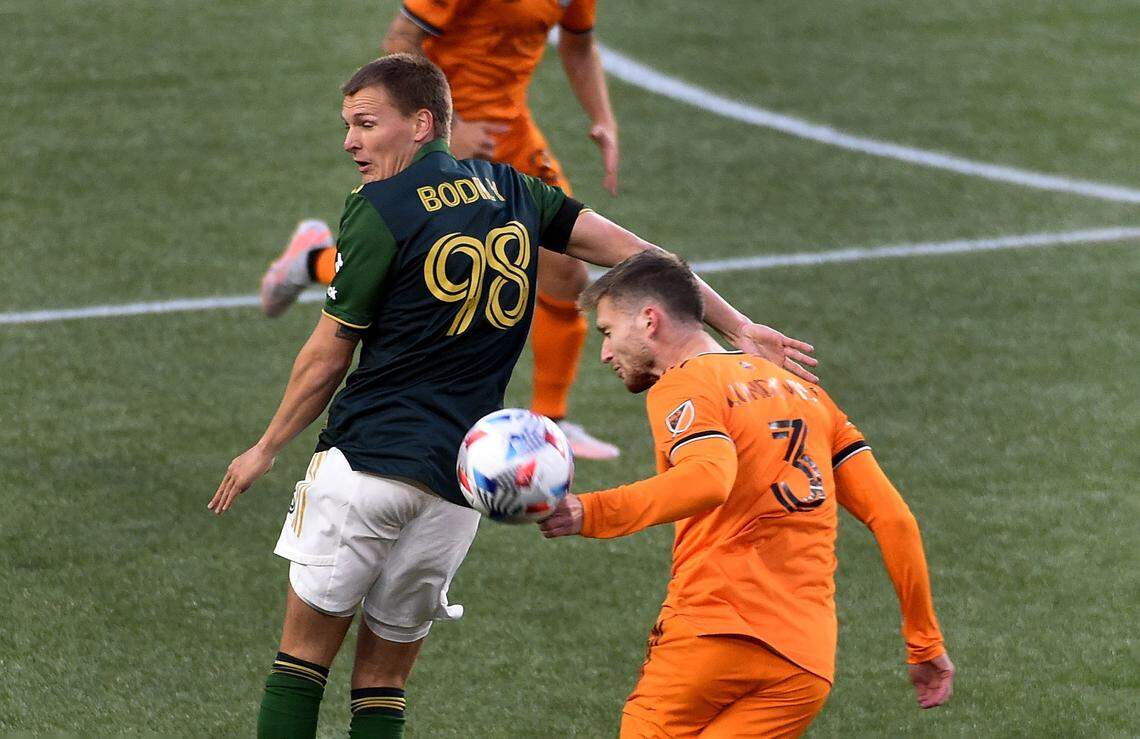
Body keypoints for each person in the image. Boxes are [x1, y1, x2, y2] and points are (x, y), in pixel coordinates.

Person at [210, 54, 817, 739]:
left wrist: (265, 447)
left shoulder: (378, 208)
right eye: (348, 125)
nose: (349, 141)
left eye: (365, 124)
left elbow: (327, 354)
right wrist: (736, 324)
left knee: (301, 662)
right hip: (460, 486)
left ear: (421, 123)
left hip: (367, 464)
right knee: (382, 685)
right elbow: (646, 260)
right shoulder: (517, 190)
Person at [540, 250, 954, 738]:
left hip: (714, 632)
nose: (606, 352)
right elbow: (894, 519)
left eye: (609, 331)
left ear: (650, 320)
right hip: (804, 664)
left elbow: (708, 479)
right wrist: (924, 642)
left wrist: (589, 510)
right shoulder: (810, 395)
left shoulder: (684, 385)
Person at [259, 0, 623, 460]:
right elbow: (400, 39)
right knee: (431, 259)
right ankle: (312, 261)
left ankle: (552, 419)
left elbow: (579, 44)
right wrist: (453, 125)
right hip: (443, 134)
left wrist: (603, 117)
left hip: (510, 132)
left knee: (567, 273)